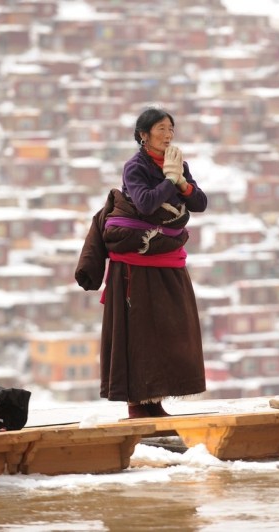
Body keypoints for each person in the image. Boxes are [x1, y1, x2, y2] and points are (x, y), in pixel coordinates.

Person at [75, 107, 208, 418]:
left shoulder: (177, 163)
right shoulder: (135, 167)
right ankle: (137, 403)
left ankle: (155, 400)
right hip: (136, 266)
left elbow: (200, 203)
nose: (168, 135)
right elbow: (146, 204)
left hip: (166, 261)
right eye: (161, 129)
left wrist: (182, 182)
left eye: (171, 129)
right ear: (143, 136)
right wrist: (169, 182)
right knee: (139, 334)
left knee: (167, 331)